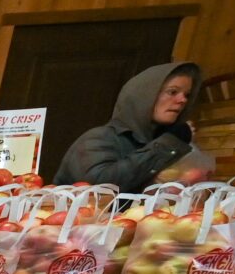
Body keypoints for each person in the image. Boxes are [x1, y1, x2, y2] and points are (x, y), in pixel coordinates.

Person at [56, 61, 208, 187]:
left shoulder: (164, 141)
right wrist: (170, 142)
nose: (182, 100)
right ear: (144, 97)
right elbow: (99, 188)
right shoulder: (99, 138)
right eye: (172, 92)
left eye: (187, 95)